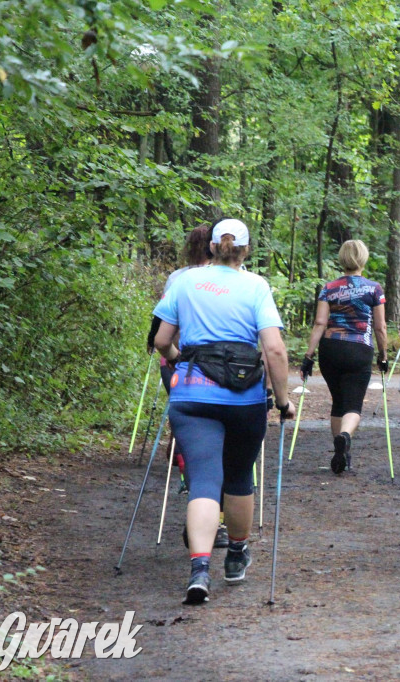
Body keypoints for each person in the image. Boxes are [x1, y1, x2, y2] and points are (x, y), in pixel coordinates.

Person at [153, 218, 295, 605]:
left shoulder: (184, 282)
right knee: (237, 478)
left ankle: (199, 569)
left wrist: (179, 358)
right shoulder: (256, 286)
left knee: (202, 480)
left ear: (213, 246)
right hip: (243, 398)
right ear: (246, 250)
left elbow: (161, 340)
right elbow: (275, 350)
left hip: (192, 395)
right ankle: (235, 555)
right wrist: (282, 401)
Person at [146, 225, 231, 543]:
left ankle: (188, 472)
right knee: (216, 442)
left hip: (177, 365)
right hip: (217, 369)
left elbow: (160, 330)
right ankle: (215, 516)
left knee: (189, 429)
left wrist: (172, 354)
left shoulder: (177, 279)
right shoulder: (239, 279)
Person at [302, 240, 388, 474]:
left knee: (338, 401)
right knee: (353, 404)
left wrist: (308, 355)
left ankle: (341, 452)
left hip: (330, 349)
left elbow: (320, 322)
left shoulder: (328, 288)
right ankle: (345, 436)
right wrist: (383, 355)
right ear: (364, 258)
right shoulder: (374, 289)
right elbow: (380, 327)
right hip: (359, 348)